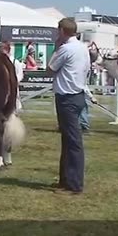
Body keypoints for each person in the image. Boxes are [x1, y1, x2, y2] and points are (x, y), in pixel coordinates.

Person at [47, 18, 90, 195]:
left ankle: (74, 184)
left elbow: (50, 69)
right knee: (68, 140)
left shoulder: (65, 49)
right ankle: (65, 180)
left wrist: (56, 47)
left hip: (67, 98)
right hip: (78, 95)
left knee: (72, 142)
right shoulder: (82, 47)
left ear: (62, 31)